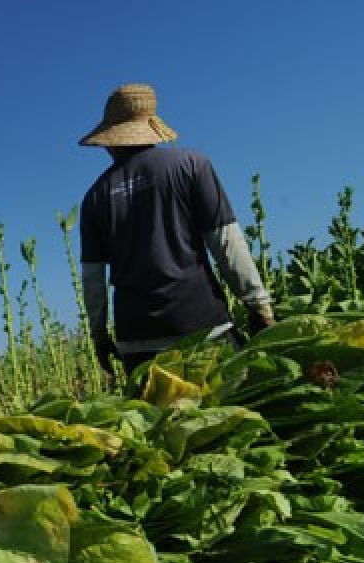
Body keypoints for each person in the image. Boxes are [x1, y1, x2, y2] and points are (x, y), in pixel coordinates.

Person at [77, 83, 274, 373]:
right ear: (152, 127)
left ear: (109, 138)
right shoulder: (192, 165)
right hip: (201, 327)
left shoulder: (95, 196)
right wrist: (258, 304)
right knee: (221, 415)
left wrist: (99, 336)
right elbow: (226, 243)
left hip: (137, 340)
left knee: (154, 418)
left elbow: (93, 279)